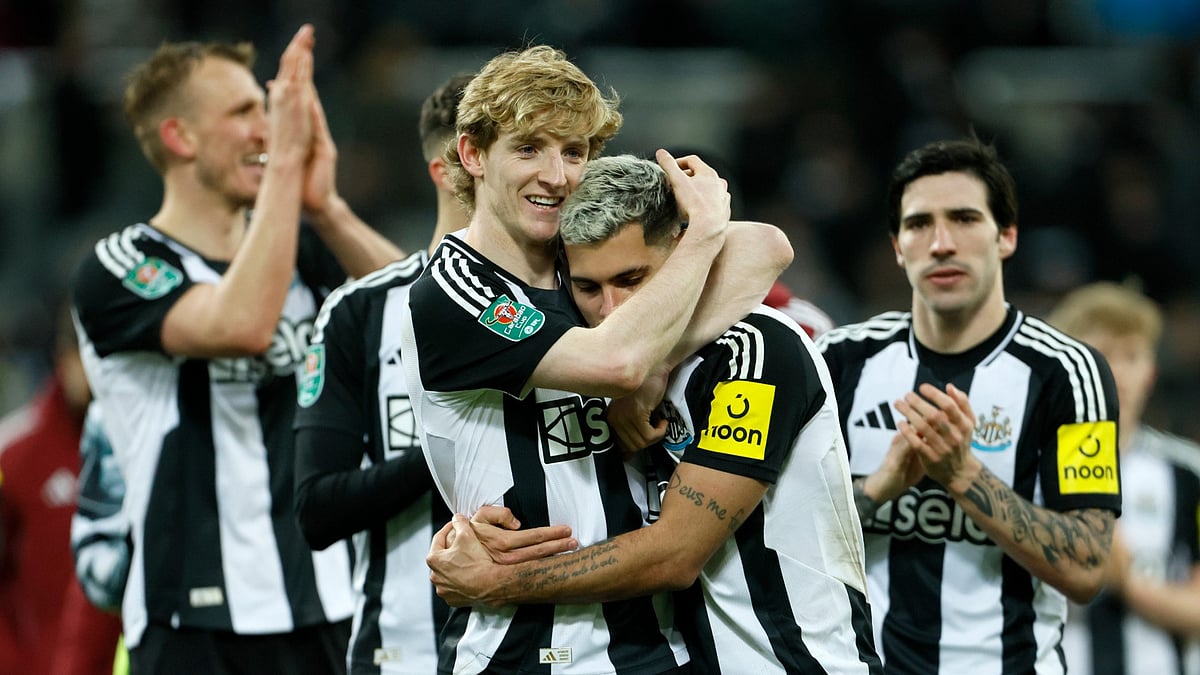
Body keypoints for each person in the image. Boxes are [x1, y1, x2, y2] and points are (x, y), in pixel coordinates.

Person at [399, 45, 791, 673]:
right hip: (521, 648)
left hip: (652, 645)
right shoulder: (454, 287)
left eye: (574, 152)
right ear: (472, 155)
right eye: (529, 149)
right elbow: (616, 363)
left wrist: (657, 364)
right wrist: (702, 235)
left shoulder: (582, 267)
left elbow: (766, 247)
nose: (556, 176)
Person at [426, 154, 883, 674]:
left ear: (682, 249)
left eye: (632, 278)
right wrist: (477, 528)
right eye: (589, 288)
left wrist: (499, 580)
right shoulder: (598, 367)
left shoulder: (755, 354)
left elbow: (675, 555)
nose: (612, 311)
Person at [70, 25, 405, 673]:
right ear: (180, 137)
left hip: (328, 604)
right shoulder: (119, 266)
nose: (267, 129)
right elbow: (243, 324)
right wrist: (284, 168)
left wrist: (327, 209)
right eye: (244, 112)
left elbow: (424, 318)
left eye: (267, 109)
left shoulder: (304, 249)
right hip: (190, 620)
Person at [292, 71, 569, 674]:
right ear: (460, 164)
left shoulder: (581, 295)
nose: (550, 175)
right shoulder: (362, 312)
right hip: (400, 649)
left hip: (558, 641)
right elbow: (316, 508)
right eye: (524, 150)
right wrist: (452, 445)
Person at [814, 136, 1122, 674]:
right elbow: (780, 537)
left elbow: (1086, 567)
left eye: (964, 219)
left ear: (1006, 236)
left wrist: (963, 475)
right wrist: (878, 488)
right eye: (919, 224)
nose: (941, 244)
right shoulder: (837, 360)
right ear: (897, 245)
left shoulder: (1069, 373)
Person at [1047, 281, 1200, 675]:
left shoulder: (1188, 471)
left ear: (1151, 371)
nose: (1117, 373)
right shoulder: (1029, 465)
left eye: (1131, 356)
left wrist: (1128, 582)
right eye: (1102, 354)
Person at [0, 302, 122, 674]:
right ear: (63, 359)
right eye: (84, 358)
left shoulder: (138, 450)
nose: (94, 373)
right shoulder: (14, 456)